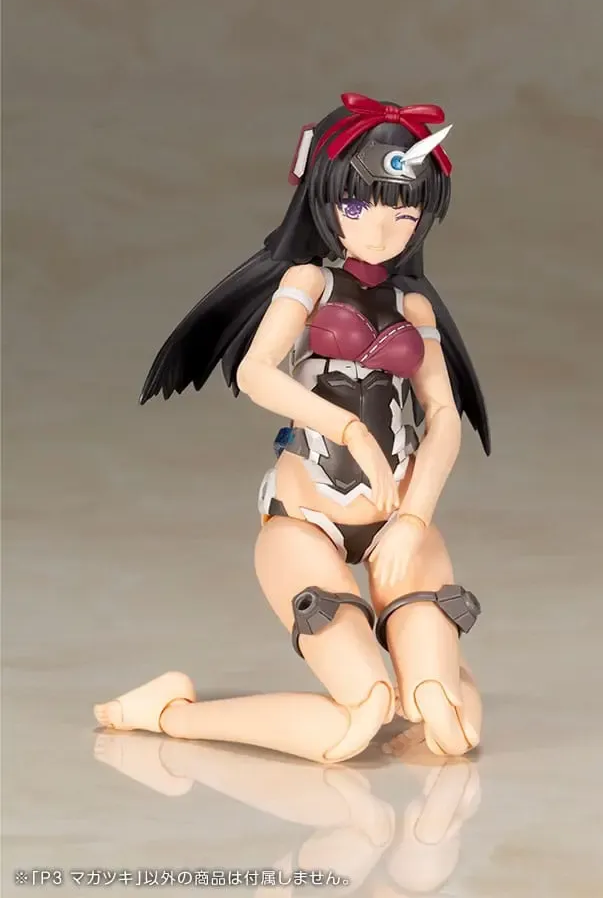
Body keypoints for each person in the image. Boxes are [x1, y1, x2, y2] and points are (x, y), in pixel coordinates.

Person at [94, 92, 490, 764]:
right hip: (306, 520)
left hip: (399, 523)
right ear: (324, 199)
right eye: (358, 205)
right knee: (358, 720)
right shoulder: (309, 282)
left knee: (451, 732)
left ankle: (431, 672)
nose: (382, 228)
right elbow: (257, 373)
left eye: (404, 209)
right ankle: (168, 713)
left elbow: (444, 417)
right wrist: (350, 430)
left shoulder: (413, 304)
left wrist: (413, 519)